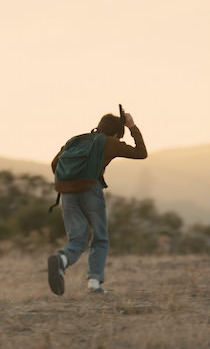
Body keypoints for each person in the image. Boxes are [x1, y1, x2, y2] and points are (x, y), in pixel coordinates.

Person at [47, 110, 147, 295]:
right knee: (100, 237)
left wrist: (72, 178)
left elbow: (55, 165)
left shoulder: (75, 140)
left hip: (67, 191)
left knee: (77, 239)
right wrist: (131, 126)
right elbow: (141, 153)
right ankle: (94, 283)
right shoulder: (109, 143)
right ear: (116, 134)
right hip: (89, 189)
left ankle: (61, 259)